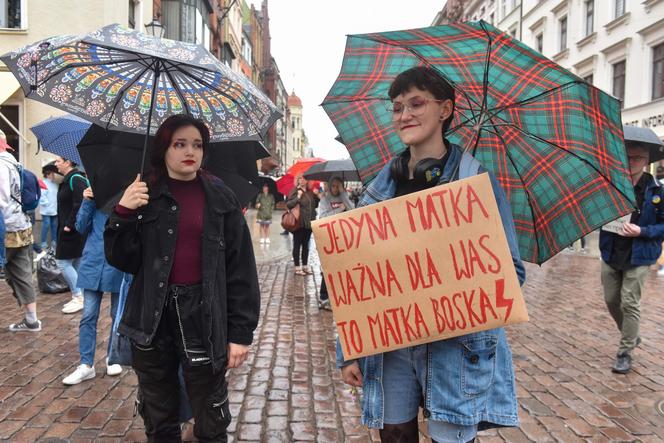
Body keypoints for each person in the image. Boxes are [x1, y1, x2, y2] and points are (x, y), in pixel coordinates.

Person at [337, 66, 526, 443]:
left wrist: (444, 287)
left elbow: (511, 272)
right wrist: (350, 350)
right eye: (397, 107)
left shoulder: (476, 182)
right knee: (393, 435)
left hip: (455, 348)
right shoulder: (378, 189)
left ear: (445, 109)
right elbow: (354, 279)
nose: (404, 115)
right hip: (391, 347)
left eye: (416, 103)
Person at [104, 114, 260, 442]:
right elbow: (123, 260)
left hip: (202, 318)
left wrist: (240, 332)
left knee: (211, 418)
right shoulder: (145, 192)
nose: (190, 151)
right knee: (159, 421)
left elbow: (241, 268)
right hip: (153, 319)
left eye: (197, 145)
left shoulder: (220, 197)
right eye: (180, 144)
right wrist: (123, 213)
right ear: (163, 149)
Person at [599, 129, 664, 374]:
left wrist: (642, 231)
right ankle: (632, 335)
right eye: (627, 157)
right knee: (611, 300)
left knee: (629, 303)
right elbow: (599, 212)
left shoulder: (657, 190)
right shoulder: (612, 184)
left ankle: (625, 352)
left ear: (646, 161)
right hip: (611, 250)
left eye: (637, 158)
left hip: (640, 254)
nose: (631, 162)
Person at [62, 186, 124, 385]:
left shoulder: (125, 196)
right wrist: (87, 201)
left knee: (117, 315)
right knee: (88, 315)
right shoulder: (93, 195)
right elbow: (80, 226)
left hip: (118, 263)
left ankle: (112, 357)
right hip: (93, 262)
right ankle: (85, 364)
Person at [0, 135, 41, 331]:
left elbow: (1, 201)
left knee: (16, 274)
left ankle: (32, 320)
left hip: (6, 229)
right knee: (22, 274)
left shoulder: (1, 166)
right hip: (22, 226)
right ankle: (32, 320)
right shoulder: (15, 163)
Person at [54, 156, 88, 314]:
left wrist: (69, 224)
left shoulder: (75, 178)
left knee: (63, 263)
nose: (56, 164)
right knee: (75, 264)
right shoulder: (70, 179)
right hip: (71, 229)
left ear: (67, 162)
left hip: (71, 231)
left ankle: (78, 296)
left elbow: (81, 203)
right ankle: (80, 297)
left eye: (58, 161)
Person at [317, 176, 354, 309]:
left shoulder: (344, 197)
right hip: (328, 238)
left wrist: (344, 196)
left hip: (343, 237)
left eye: (338, 186)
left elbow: (353, 211)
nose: (336, 188)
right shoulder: (325, 200)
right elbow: (323, 217)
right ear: (330, 186)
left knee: (340, 268)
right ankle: (324, 297)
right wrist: (339, 209)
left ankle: (337, 297)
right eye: (334, 186)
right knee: (328, 268)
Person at [286, 174, 318, 276]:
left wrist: (316, 197)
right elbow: (289, 204)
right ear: (297, 180)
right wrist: (298, 197)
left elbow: (314, 205)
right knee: (297, 245)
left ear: (308, 181)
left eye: (304, 178)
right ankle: (297, 267)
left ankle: (305, 265)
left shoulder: (310, 192)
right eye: (300, 178)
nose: (302, 180)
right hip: (299, 223)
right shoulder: (294, 191)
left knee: (306, 246)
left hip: (308, 223)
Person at [39, 164, 59, 252]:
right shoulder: (43, 183)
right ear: (47, 174)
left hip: (54, 208)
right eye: (52, 173)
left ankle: (54, 242)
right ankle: (43, 242)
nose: (54, 175)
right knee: (46, 225)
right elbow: (41, 196)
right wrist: (47, 203)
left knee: (54, 226)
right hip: (46, 209)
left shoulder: (55, 184)